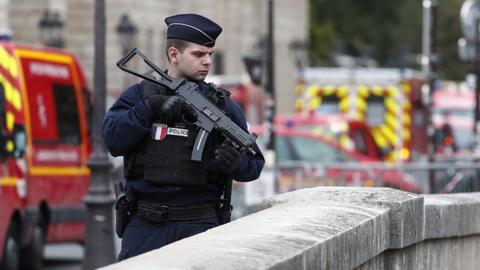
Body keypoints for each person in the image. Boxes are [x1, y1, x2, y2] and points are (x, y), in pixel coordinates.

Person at [102, 13, 265, 261]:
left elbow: (254, 165)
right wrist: (149, 109)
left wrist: (235, 163)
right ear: (173, 55)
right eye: (198, 54)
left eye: (210, 54)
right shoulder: (140, 95)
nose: (207, 61)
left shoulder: (223, 107)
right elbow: (112, 140)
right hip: (146, 222)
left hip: (200, 224)